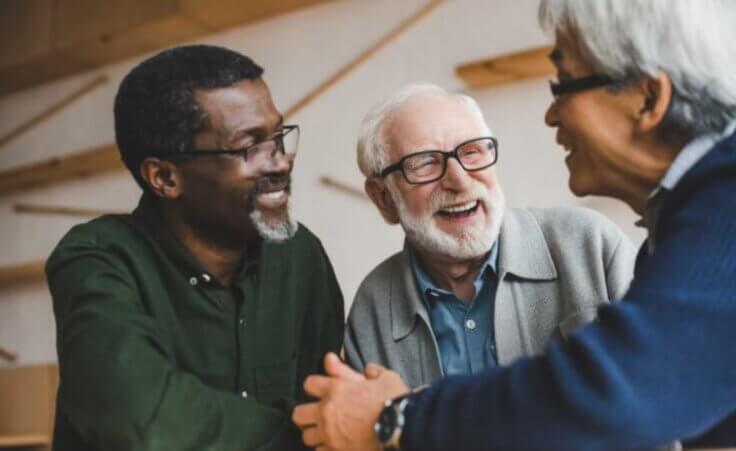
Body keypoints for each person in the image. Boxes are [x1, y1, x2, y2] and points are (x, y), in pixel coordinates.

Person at [292, 0, 736, 448]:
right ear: (383, 199)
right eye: (425, 163)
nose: (551, 114)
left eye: (564, 84)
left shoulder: (723, 207)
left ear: (647, 98)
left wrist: (397, 418)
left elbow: (624, 392)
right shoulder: (690, 219)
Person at [47, 45, 344, 450]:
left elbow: (324, 402)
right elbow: (142, 418)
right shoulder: (96, 257)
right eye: (249, 146)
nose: (279, 162)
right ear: (165, 177)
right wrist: (311, 434)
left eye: (277, 136)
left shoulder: (300, 254)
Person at [345, 83, 636, 389]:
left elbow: (665, 392)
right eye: (425, 162)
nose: (459, 179)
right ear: (384, 199)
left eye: (471, 152)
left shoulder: (591, 245)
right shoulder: (374, 306)